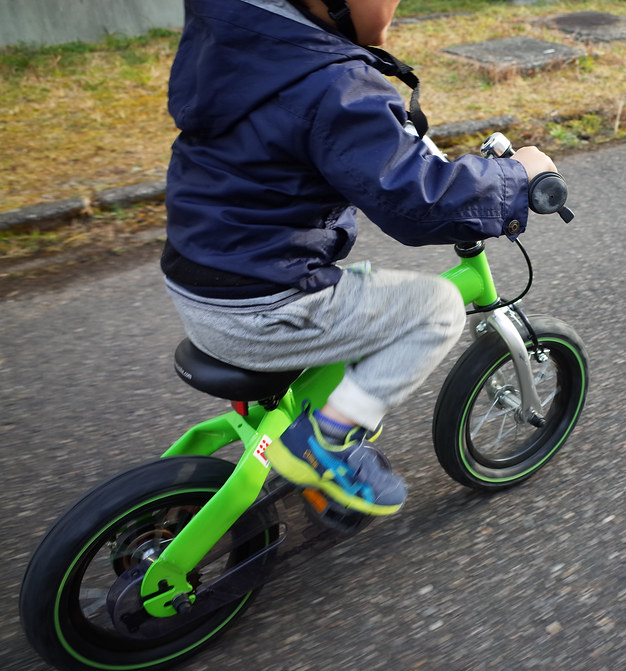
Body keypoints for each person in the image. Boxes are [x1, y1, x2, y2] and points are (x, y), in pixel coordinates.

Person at [162, 0, 557, 516]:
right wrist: (515, 180)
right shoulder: (335, 86)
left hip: (203, 282)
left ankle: (313, 443)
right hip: (262, 309)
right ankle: (326, 444)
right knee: (434, 307)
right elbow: (416, 201)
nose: (393, 8)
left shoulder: (240, 37)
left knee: (362, 289)